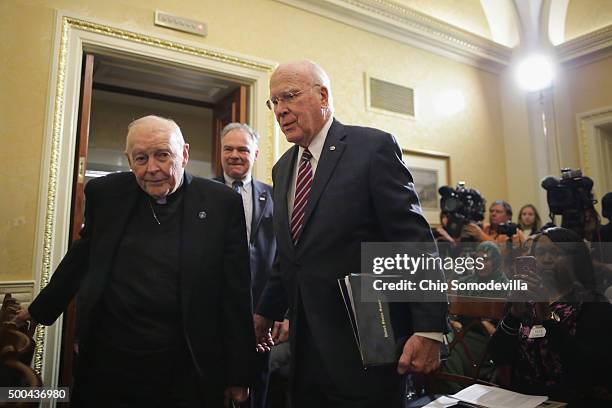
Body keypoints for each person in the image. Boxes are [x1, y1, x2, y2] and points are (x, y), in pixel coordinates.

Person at [14, 115, 255, 407]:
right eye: (140, 158)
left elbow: (236, 292)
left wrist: (239, 374)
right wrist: (39, 310)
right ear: (129, 161)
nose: (152, 168)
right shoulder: (106, 194)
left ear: (185, 154)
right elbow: (82, 257)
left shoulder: (220, 202)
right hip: (111, 358)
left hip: (187, 362)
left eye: (163, 155)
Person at [253, 60, 447, 407]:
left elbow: (413, 242)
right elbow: (290, 255)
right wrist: (265, 311)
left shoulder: (371, 148)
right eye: (274, 102)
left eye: (290, 97)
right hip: (305, 344)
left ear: (322, 95)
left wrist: (429, 328)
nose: (280, 110)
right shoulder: (283, 168)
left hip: (369, 336)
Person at [490, 227, 612, 405]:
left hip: (572, 398)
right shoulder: (524, 299)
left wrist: (548, 319)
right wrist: (514, 315)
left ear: (575, 259)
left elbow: (590, 370)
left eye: (556, 253)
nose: (546, 260)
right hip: (523, 396)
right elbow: (498, 355)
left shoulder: (592, 304)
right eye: (540, 253)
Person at [213, 122, 277, 408]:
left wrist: (279, 311)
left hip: (261, 311)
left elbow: (284, 257)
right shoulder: (202, 193)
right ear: (221, 152)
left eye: (243, 149)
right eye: (229, 148)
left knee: (257, 388)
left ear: (256, 153)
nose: (235, 155)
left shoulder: (275, 195)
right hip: (214, 310)